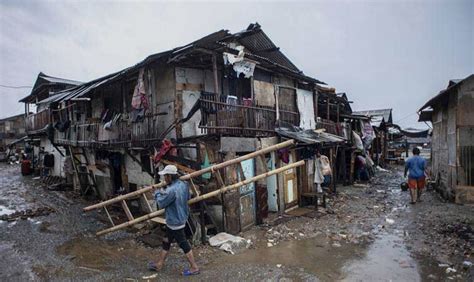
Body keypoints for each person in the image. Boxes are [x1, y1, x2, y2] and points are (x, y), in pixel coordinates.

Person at [148, 165, 200, 276]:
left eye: (165, 176)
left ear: (169, 177)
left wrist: (157, 192)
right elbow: (188, 197)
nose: (164, 179)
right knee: (166, 240)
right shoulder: (184, 184)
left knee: (183, 244)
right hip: (180, 217)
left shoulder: (171, 190)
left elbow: (161, 203)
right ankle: (160, 263)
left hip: (175, 221)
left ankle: (194, 267)